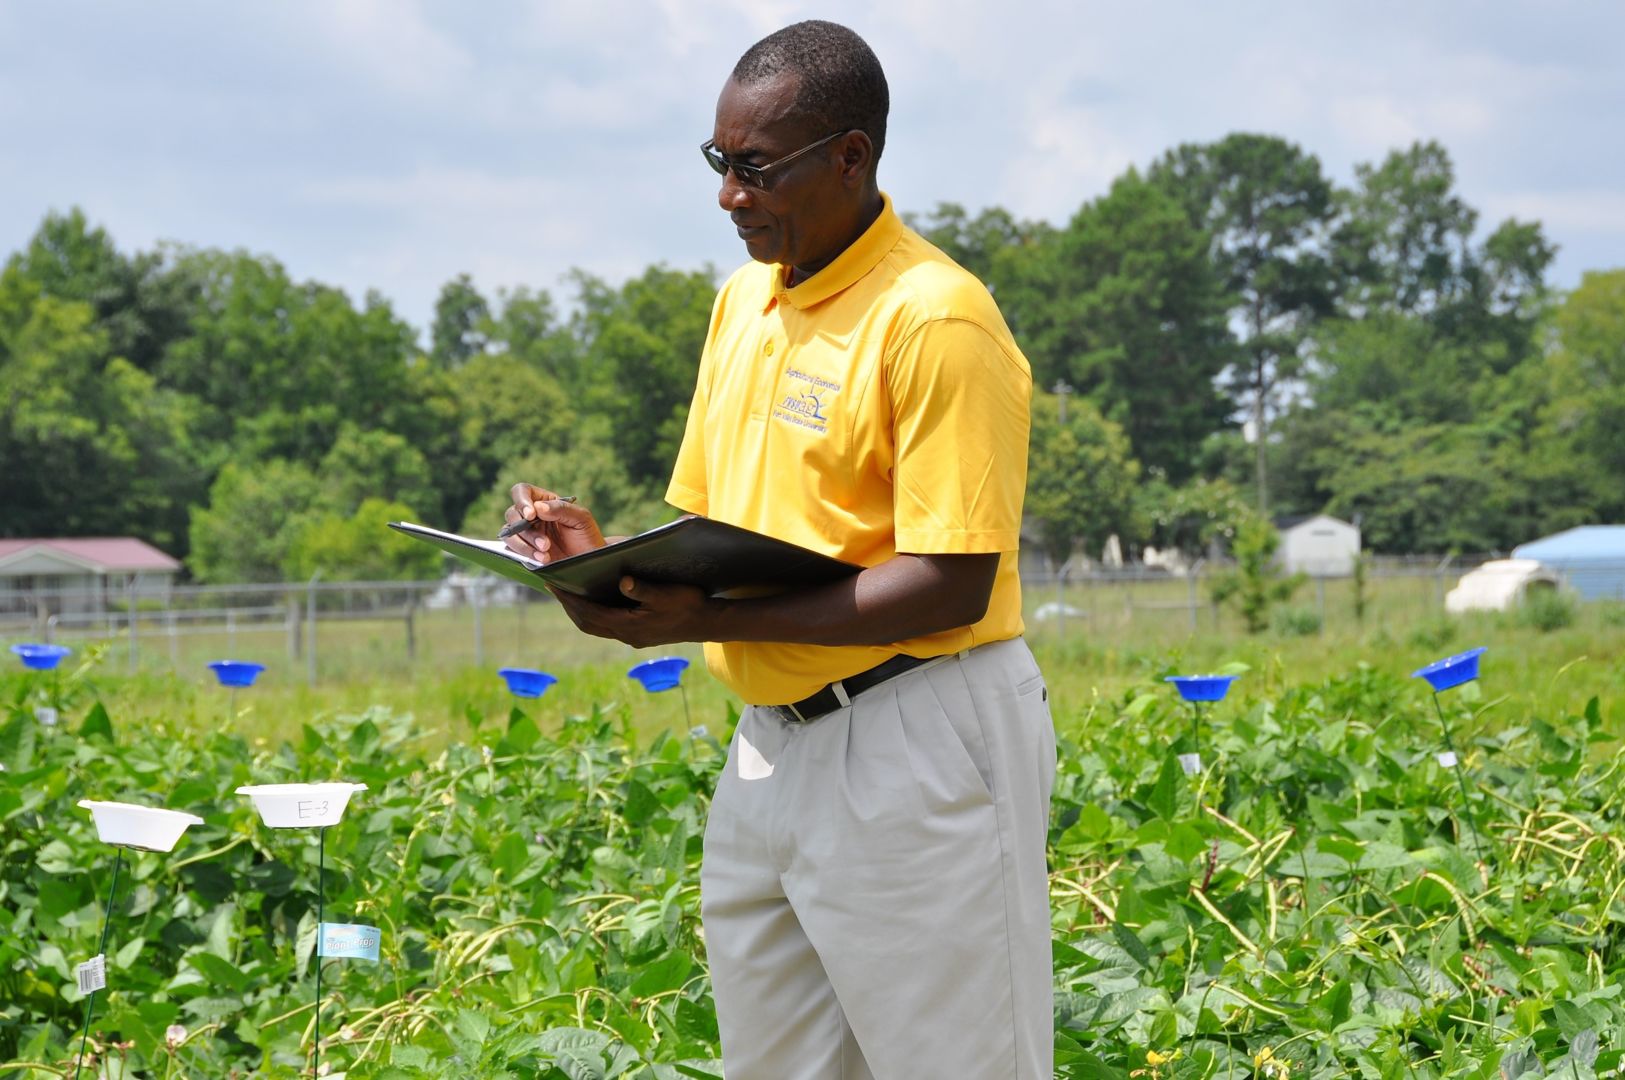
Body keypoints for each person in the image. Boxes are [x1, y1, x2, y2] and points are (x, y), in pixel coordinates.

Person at [504, 20, 1055, 1079]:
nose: (728, 195)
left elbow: (949, 581)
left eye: (755, 168)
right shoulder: (743, 304)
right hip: (770, 745)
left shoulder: (933, 318)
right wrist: (603, 563)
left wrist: (705, 620)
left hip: (917, 731)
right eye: (718, 163)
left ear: (849, 155)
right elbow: (724, 539)